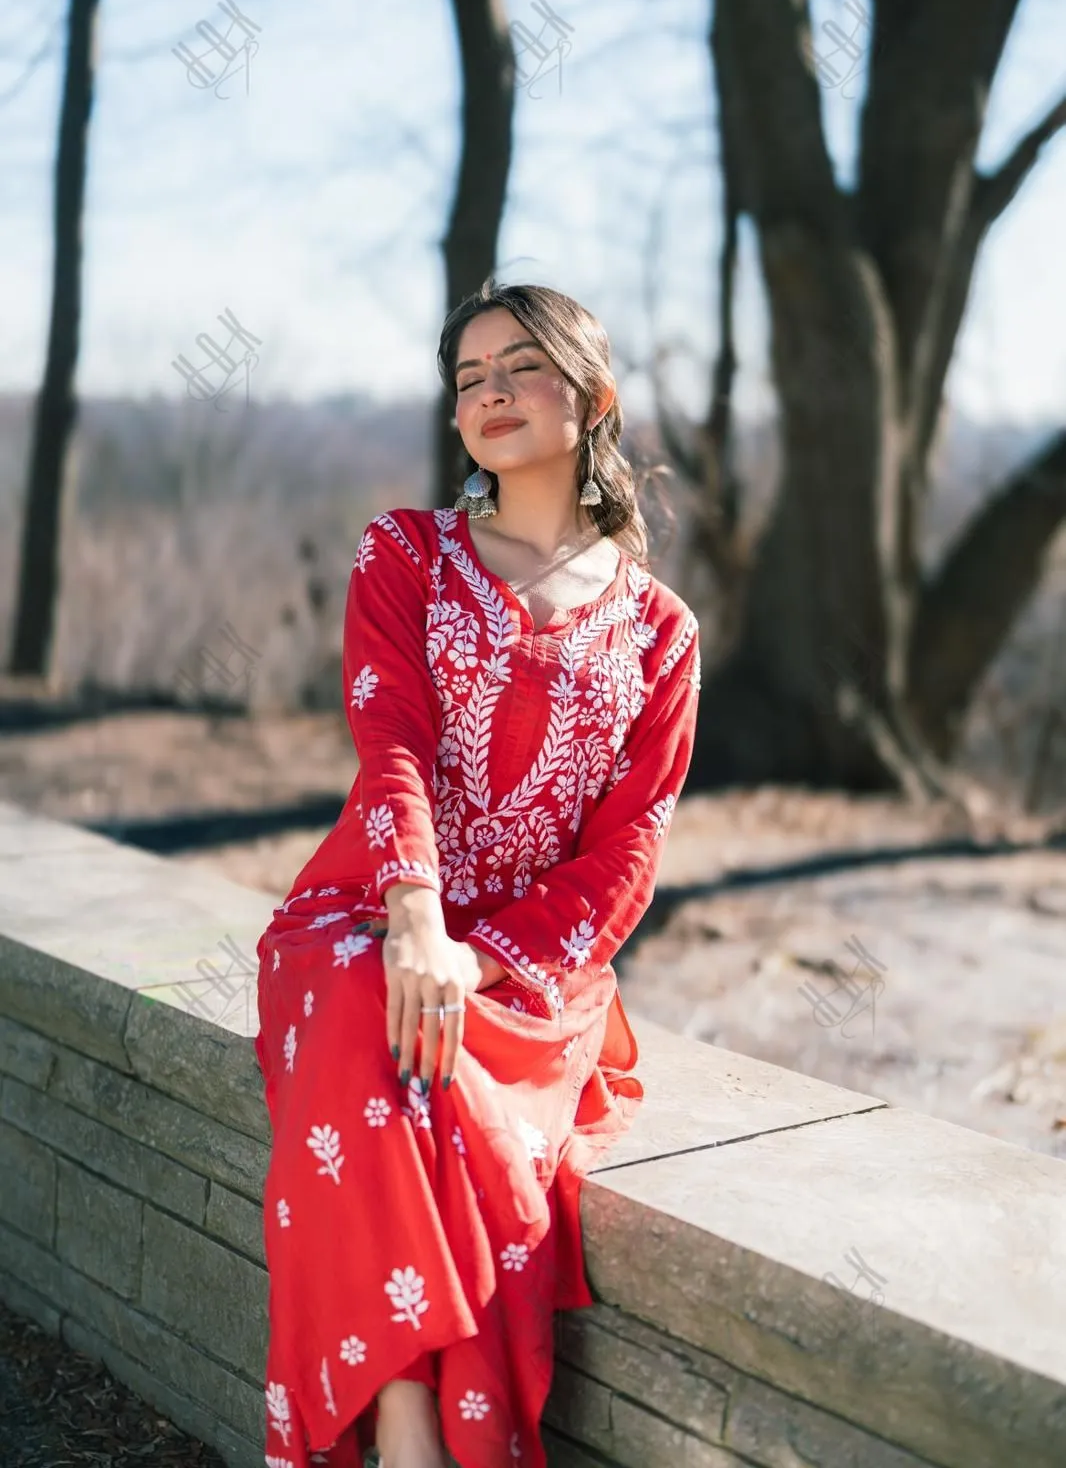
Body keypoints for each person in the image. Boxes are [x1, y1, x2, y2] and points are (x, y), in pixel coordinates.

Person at [253, 280, 702, 1468]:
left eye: (520, 368)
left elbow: (629, 848)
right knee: (371, 1004)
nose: (489, 394)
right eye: (467, 378)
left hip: (532, 969)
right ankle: (414, 1435)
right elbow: (388, 728)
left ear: (592, 397)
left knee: (444, 1074)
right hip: (368, 910)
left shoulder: (660, 632)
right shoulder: (405, 552)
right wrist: (415, 918)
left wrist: (485, 956)